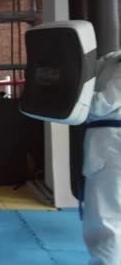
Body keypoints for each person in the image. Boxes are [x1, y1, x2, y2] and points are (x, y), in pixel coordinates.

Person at [82, 49, 121, 265]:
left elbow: (103, 104)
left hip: (112, 143)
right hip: (106, 142)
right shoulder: (112, 58)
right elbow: (85, 72)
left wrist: (70, 97)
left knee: (106, 218)